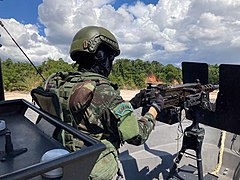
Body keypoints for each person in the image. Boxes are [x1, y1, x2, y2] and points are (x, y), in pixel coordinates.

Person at [38, 26, 164, 180]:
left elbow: (96, 115)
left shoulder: (60, 83)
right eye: (110, 57)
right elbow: (137, 136)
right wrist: (154, 108)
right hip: (93, 169)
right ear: (100, 55)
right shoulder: (103, 91)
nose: (111, 62)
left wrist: (132, 104)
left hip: (63, 161)